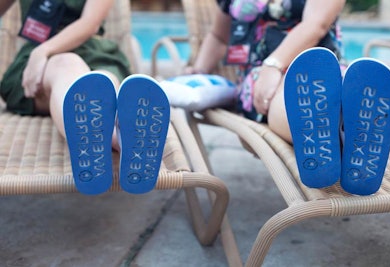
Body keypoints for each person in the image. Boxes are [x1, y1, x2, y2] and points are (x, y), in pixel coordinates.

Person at [0, 0, 170, 195]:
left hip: (88, 50)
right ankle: (121, 141)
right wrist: (41, 54)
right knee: (70, 67)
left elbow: (89, 24)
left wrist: (42, 51)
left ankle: (111, 138)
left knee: (103, 81)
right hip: (39, 62)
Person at [184, 0, 346, 143]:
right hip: (261, 76)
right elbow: (219, 37)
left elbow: (317, 23)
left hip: (322, 64)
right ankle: (337, 135)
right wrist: (200, 70)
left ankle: (339, 131)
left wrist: (274, 64)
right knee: (287, 92)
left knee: (328, 82)